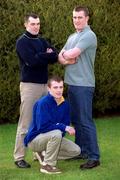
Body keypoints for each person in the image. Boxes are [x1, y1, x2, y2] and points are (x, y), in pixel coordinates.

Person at [14, 13, 58, 168]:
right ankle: (19, 157)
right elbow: (31, 62)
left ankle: (37, 152)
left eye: (38, 23)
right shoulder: (22, 42)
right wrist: (44, 55)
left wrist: (44, 55)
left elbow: (54, 56)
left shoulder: (41, 40)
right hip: (29, 86)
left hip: (44, 85)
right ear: (26, 24)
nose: (36, 26)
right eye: (33, 24)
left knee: (42, 121)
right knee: (25, 122)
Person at [58, 6, 100, 170]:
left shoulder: (89, 35)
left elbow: (69, 54)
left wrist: (66, 56)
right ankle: (82, 151)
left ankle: (94, 157)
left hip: (84, 84)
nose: (76, 20)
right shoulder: (72, 36)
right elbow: (61, 57)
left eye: (80, 17)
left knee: (85, 121)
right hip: (73, 83)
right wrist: (66, 58)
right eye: (74, 17)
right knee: (76, 120)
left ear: (87, 18)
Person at [24, 76, 81, 174]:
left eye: (61, 87)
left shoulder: (65, 104)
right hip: (35, 139)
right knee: (57, 133)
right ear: (48, 88)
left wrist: (63, 128)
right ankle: (47, 165)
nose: (59, 90)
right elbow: (42, 127)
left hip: (53, 136)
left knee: (76, 151)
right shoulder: (42, 103)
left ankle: (44, 154)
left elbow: (64, 126)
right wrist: (63, 127)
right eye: (55, 87)